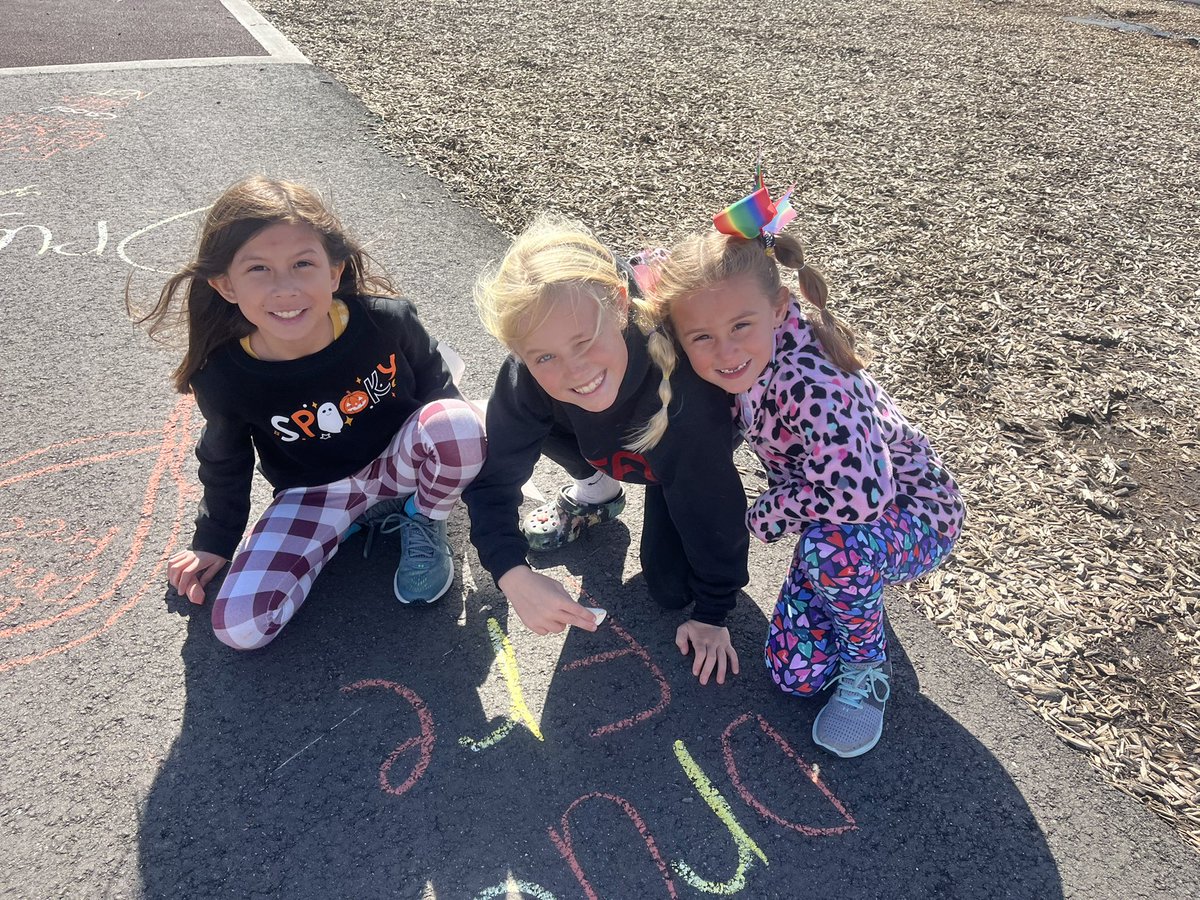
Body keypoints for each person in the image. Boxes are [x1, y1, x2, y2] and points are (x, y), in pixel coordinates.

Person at [642, 173, 965, 755]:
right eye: (703, 338)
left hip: (915, 513)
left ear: (779, 308)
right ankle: (856, 592)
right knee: (794, 676)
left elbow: (864, 494)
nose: (726, 351)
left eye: (741, 326)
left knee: (831, 552)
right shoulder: (748, 358)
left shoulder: (807, 383)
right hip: (841, 508)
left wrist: (768, 513)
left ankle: (867, 669)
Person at [133, 175, 486, 649]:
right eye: (258, 269)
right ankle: (349, 523)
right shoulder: (225, 375)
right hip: (317, 492)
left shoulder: (385, 321)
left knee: (458, 421)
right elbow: (225, 458)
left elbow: (435, 384)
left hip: (399, 463)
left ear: (334, 272)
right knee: (240, 626)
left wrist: (476, 477)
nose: (285, 288)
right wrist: (213, 540)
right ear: (225, 285)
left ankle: (423, 515)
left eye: (303, 263)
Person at [464, 215, 749, 685]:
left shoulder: (686, 401)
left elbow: (716, 509)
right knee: (544, 408)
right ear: (521, 351)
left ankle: (657, 481)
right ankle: (598, 488)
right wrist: (512, 574)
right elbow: (494, 479)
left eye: (584, 341)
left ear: (619, 305)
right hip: (613, 438)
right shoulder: (529, 377)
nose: (574, 370)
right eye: (544, 357)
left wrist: (716, 612)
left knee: (672, 589)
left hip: (676, 445)